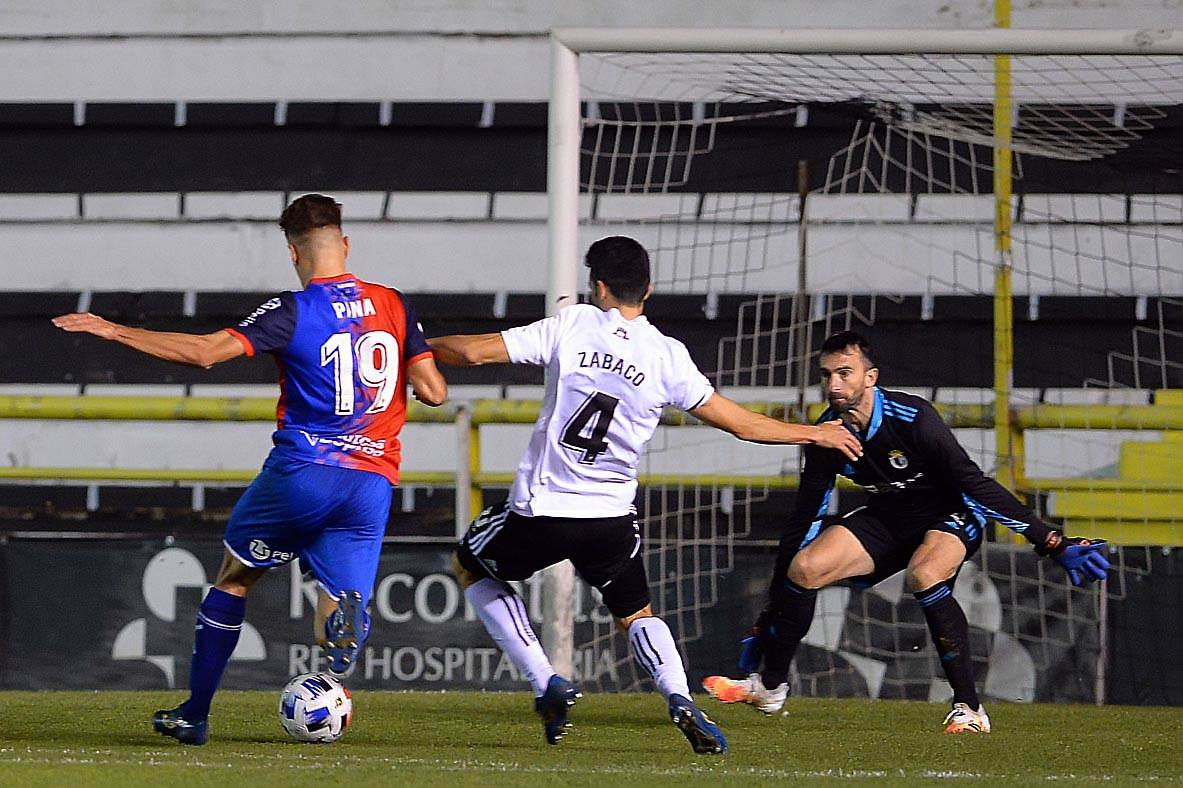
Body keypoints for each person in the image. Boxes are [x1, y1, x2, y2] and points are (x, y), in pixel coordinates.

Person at [427, 235, 862, 754]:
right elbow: (742, 425)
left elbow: (473, 353)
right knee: (637, 615)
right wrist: (814, 433)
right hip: (610, 518)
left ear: (599, 286)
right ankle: (680, 698)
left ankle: (546, 680)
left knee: (470, 566)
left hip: (544, 509)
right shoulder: (667, 356)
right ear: (648, 290)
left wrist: (419, 346)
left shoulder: (573, 325)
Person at [52, 194, 447, 745]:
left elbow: (205, 354)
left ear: (293, 252)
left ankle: (195, 713)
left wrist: (115, 331)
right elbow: (433, 390)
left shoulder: (292, 310)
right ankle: (338, 633)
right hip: (371, 481)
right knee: (336, 592)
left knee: (234, 578)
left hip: (304, 470)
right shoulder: (395, 304)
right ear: (346, 243)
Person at [703, 330, 1110, 733]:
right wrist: (774, 608)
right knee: (806, 567)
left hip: (949, 515)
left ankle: (969, 707)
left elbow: (973, 482)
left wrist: (1049, 540)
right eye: (826, 375)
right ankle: (770, 687)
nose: (834, 384)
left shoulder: (913, 418)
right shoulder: (827, 433)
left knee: (925, 574)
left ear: (871, 377)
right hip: (889, 518)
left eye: (845, 373)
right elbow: (804, 520)